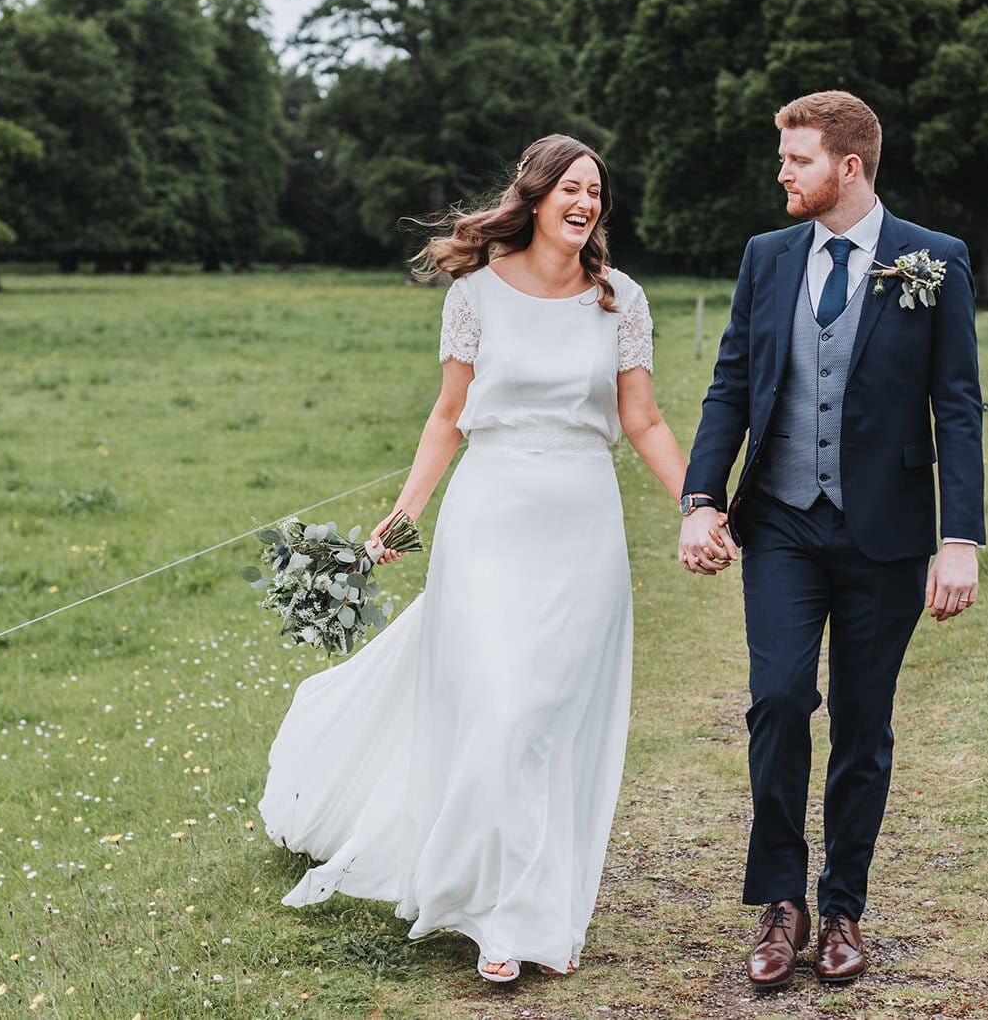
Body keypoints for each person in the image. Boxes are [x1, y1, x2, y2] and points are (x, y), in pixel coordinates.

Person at [258, 134, 696, 983]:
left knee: (548, 720)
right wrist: (401, 516)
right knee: (501, 706)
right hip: (490, 521)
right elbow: (447, 417)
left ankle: (533, 910)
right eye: (570, 187)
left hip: (583, 531)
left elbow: (641, 419)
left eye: (596, 193)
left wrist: (698, 501)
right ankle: (491, 910)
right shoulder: (476, 297)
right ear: (533, 197)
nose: (585, 203)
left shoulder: (621, 301)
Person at [678, 91, 985, 987]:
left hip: (884, 531)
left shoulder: (936, 260)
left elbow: (957, 408)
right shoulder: (766, 258)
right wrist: (703, 497)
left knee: (862, 723)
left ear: (848, 167)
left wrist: (958, 536)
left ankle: (844, 902)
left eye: (797, 159)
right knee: (777, 700)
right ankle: (782, 901)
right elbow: (731, 381)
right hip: (779, 522)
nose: (782, 172)